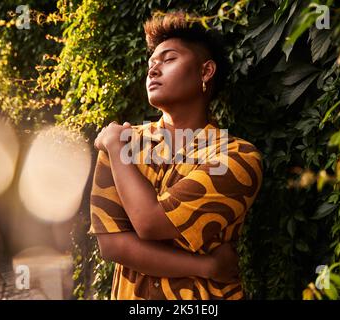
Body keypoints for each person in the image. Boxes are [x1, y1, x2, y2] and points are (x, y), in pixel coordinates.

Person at [89, 11, 263, 300]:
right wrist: (206, 265)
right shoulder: (123, 141)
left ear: (206, 71)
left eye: (168, 60)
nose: (153, 70)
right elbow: (113, 246)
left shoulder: (238, 157)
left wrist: (116, 150)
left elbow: (150, 223)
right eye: (151, 64)